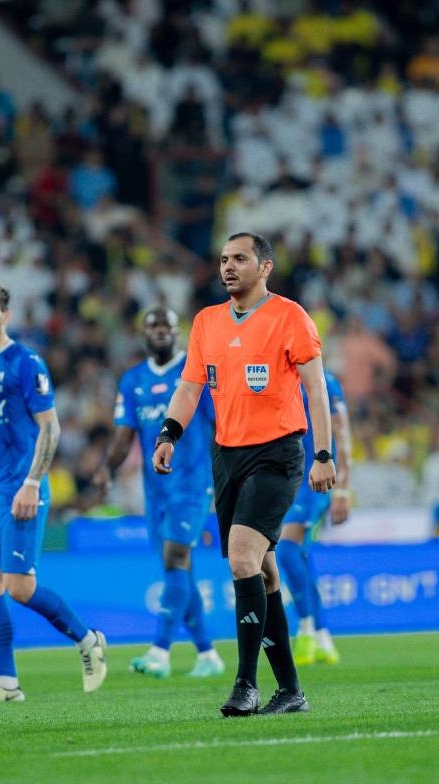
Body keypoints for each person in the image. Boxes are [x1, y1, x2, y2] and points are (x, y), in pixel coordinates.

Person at [152, 232, 336, 717]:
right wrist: (168, 433)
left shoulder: (290, 316)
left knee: (240, 558)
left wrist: (323, 453)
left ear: (265, 266)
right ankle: (291, 690)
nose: (228, 267)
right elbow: (190, 388)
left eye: (239, 259)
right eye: (223, 259)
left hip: (278, 453)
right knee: (264, 568)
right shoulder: (207, 322)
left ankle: (245, 685)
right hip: (227, 455)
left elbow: (316, 390)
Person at [0, 281, 107, 704]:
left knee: (19, 586)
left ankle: (88, 638)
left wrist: (32, 481)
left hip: (19, 489)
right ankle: (6, 684)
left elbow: (50, 426)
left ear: (5, 315)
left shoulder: (25, 363)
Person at [92, 305, 225, 679]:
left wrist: (223, 476)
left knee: (174, 557)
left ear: (178, 332)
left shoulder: (196, 374)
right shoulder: (132, 380)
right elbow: (123, 435)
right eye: (154, 325)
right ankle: (208, 654)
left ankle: (159, 652)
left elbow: (220, 427)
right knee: (178, 569)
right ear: (143, 334)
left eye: (168, 324)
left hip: (192, 483)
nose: (161, 330)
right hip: (157, 491)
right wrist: (106, 468)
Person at [278, 368, 352, 666]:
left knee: (285, 549)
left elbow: (342, 434)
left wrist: (344, 491)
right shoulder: (276, 376)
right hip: (286, 479)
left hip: (316, 478)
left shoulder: (325, 379)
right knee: (300, 556)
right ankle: (322, 635)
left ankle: (306, 627)